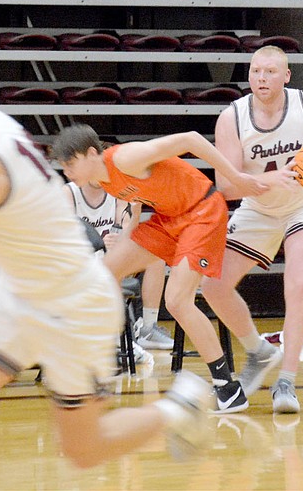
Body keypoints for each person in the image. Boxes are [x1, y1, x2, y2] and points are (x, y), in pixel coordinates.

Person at [0, 32, 212, 489]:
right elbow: (20, 213)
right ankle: (176, 408)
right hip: (23, 292)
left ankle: (177, 408)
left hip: (73, 302)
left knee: (83, 450)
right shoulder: (1, 123)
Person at [53, 123, 269, 413]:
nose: (67, 172)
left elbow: (192, 137)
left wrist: (236, 177)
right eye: (63, 167)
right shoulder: (103, 181)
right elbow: (138, 203)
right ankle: (101, 358)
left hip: (202, 211)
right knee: (101, 276)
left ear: (92, 153)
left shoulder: (125, 158)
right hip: (170, 217)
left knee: (178, 301)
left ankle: (227, 389)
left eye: (70, 164)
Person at [200, 45, 303, 414]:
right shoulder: (231, 118)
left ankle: (286, 381)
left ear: (286, 76)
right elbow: (226, 185)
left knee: (298, 283)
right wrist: (269, 183)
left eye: (269, 72)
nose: (261, 78)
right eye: (255, 71)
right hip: (259, 206)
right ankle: (257, 350)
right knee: (212, 286)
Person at [64, 179, 173, 351]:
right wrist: (97, 243)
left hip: (111, 259)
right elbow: (67, 237)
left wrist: (121, 240)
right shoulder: (69, 192)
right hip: (82, 262)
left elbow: (128, 227)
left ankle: (147, 328)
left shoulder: (117, 191)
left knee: (155, 257)